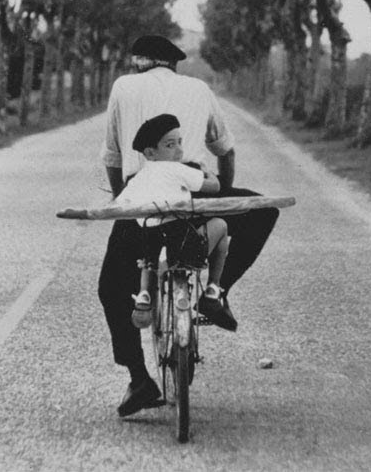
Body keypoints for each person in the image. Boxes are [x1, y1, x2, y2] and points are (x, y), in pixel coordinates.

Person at [98, 34, 279, 418]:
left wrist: (125, 205)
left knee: (112, 286)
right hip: (196, 192)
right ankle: (217, 291)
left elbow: (113, 159)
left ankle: (140, 380)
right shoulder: (198, 88)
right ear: (174, 64)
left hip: (141, 190)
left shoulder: (123, 87)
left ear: (138, 63)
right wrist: (224, 194)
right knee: (264, 211)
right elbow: (225, 150)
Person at [116, 113, 230, 330]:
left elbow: (119, 205)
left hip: (148, 242)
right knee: (221, 225)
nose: (179, 150)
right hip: (183, 243)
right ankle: (212, 289)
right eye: (170, 145)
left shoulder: (139, 178)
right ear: (151, 153)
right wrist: (208, 174)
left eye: (180, 142)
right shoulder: (177, 168)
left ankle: (144, 294)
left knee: (148, 254)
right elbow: (214, 188)